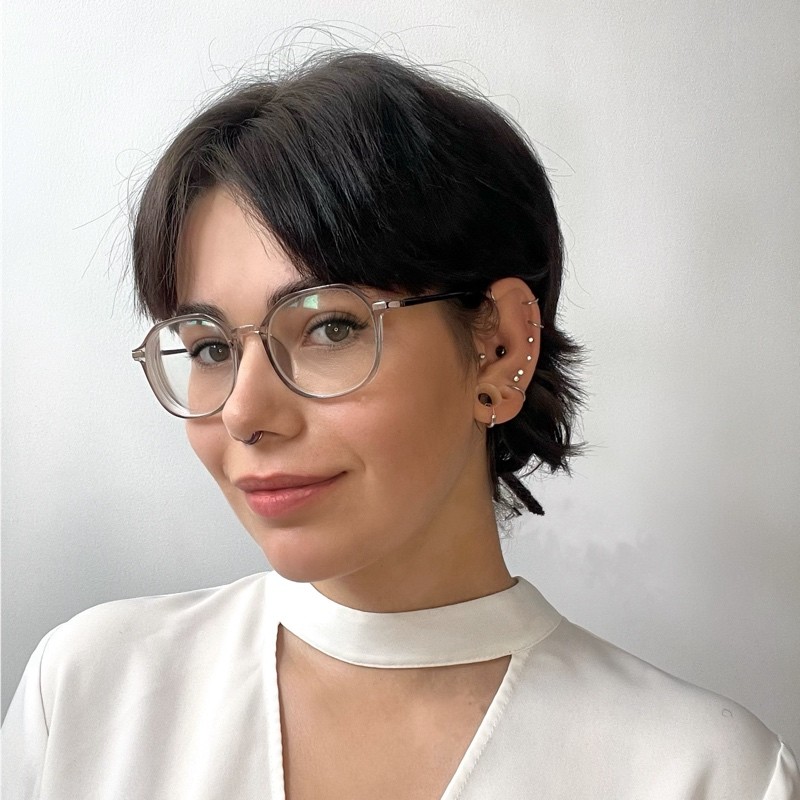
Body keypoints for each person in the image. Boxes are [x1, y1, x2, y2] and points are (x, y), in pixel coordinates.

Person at [3, 49, 798, 799]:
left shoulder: (703, 774)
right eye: (211, 347)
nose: (244, 412)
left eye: (330, 327)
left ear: (497, 347)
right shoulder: (86, 694)